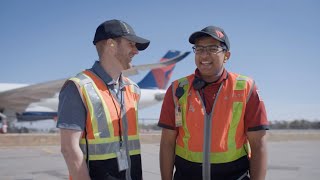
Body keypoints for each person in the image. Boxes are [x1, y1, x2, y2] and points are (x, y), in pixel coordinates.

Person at [158, 25, 269, 180]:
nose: (204, 55)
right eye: (199, 49)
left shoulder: (246, 88)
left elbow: (259, 145)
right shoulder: (178, 88)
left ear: (226, 55)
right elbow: (167, 143)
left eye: (212, 48)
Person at [56, 19, 150, 180]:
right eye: (131, 44)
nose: (136, 51)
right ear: (111, 44)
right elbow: (69, 149)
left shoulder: (133, 89)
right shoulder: (78, 87)